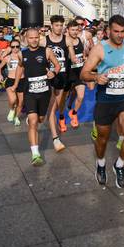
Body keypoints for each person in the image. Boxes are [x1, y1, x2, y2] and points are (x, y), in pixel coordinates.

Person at [80, 15, 124, 189]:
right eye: (116, 31)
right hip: (105, 99)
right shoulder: (100, 49)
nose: (120, 35)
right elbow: (83, 73)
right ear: (108, 31)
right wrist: (96, 76)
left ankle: (119, 165)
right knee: (102, 140)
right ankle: (100, 163)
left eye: (123, 31)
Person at [19, 28, 60, 166]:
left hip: (44, 92)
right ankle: (35, 154)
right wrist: (16, 84)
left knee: (41, 119)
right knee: (33, 121)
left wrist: (53, 73)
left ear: (39, 37)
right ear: (26, 39)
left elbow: (57, 65)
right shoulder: (21, 53)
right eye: (31, 38)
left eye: (36, 37)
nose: (34, 40)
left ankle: (35, 118)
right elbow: (20, 67)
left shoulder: (46, 51)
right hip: (30, 92)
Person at [40, 15, 69, 152]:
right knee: (52, 108)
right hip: (47, 76)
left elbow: (76, 51)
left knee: (56, 105)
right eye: (56, 25)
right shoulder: (43, 40)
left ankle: (42, 115)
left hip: (61, 76)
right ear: (51, 25)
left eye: (61, 25)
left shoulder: (66, 39)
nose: (59, 28)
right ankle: (55, 138)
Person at [0, 39, 25, 126]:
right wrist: (0, 76)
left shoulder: (23, 57)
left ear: (20, 47)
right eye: (13, 47)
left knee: (21, 102)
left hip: (22, 80)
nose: (15, 48)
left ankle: (16, 117)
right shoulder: (7, 58)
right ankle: (12, 109)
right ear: (10, 48)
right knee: (13, 100)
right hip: (10, 80)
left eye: (17, 46)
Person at [65, 20, 87, 128]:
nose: (74, 32)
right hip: (68, 73)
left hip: (79, 72)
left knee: (81, 96)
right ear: (68, 30)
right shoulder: (65, 41)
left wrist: (85, 58)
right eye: (72, 30)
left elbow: (83, 54)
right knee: (69, 93)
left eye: (76, 30)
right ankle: (64, 110)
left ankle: (73, 113)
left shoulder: (79, 39)